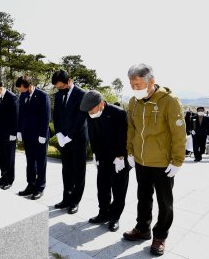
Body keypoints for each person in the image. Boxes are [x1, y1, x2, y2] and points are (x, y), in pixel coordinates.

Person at [122, 64, 186, 256]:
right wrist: (130, 152)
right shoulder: (134, 102)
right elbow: (131, 129)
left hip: (163, 163)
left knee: (164, 202)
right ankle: (142, 228)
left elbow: (179, 133)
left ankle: (160, 235)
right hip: (141, 161)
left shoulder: (169, 101)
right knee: (143, 197)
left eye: (138, 84)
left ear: (151, 81)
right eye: (132, 85)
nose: (135, 89)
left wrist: (177, 161)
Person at [80, 90, 129, 232]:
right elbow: (92, 135)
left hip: (118, 158)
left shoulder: (118, 113)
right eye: (87, 110)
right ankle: (103, 213)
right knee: (102, 187)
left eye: (91, 109)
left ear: (101, 103)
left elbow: (125, 138)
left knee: (119, 190)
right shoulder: (91, 114)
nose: (89, 112)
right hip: (102, 157)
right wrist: (95, 154)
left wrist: (121, 157)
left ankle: (115, 217)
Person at [52, 70, 88, 215]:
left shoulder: (82, 94)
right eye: (57, 87)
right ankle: (66, 198)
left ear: (69, 81)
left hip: (78, 138)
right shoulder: (58, 95)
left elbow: (81, 118)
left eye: (61, 86)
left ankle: (75, 201)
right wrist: (59, 133)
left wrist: (70, 136)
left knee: (78, 172)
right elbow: (57, 116)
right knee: (66, 170)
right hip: (64, 139)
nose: (59, 90)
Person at [16, 76, 50, 200]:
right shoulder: (23, 96)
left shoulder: (42, 96)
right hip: (27, 135)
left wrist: (42, 134)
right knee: (30, 162)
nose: (21, 92)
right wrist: (19, 131)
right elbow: (21, 115)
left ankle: (40, 187)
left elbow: (46, 117)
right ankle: (31, 185)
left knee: (41, 162)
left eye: (22, 89)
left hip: (40, 135)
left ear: (29, 86)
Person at [0, 80, 18, 190]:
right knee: (1, 156)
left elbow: (15, 117)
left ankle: (9, 180)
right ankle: (3, 177)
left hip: (10, 134)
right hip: (0, 132)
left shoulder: (12, 97)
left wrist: (14, 134)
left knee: (9, 157)